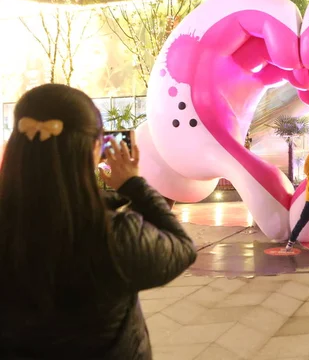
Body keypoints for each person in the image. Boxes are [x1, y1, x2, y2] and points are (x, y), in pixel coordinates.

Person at [0, 84, 197, 360]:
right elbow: (181, 246)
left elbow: (56, 205)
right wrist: (133, 184)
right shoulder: (115, 236)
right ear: (94, 148)